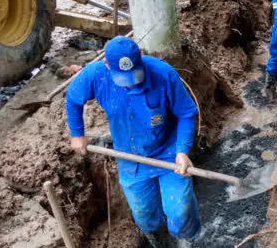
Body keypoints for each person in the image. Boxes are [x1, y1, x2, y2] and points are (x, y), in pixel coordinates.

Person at [66, 36, 200, 248]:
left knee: (180, 210)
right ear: (107, 65)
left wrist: (182, 151)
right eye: (123, 78)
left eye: (134, 74)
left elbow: (186, 113)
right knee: (144, 214)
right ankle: (158, 242)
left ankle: (188, 240)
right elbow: (73, 98)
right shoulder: (96, 75)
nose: (130, 81)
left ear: (141, 57)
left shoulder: (163, 74)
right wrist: (77, 134)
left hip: (168, 152)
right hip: (130, 158)